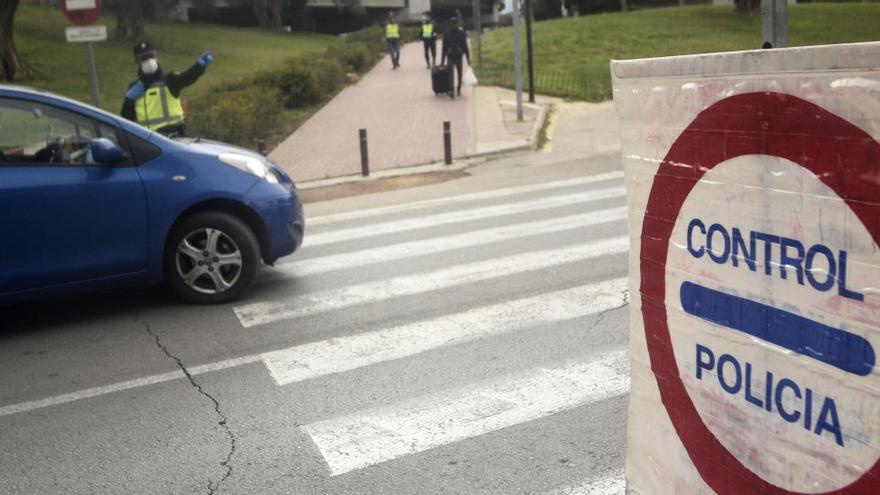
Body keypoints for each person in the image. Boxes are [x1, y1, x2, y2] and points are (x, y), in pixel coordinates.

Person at [120, 40, 213, 137]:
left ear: (156, 56)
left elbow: (186, 77)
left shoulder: (169, 80)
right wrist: (128, 100)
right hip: (146, 141)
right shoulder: (133, 87)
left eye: (150, 56)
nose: (148, 60)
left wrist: (199, 67)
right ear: (137, 61)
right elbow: (126, 119)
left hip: (172, 137)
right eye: (143, 58)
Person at [441, 16, 471, 98]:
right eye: (452, 23)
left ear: (456, 24)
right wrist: (442, 61)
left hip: (458, 56)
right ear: (450, 24)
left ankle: (459, 88)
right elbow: (444, 48)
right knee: (451, 74)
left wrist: (468, 58)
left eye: (455, 23)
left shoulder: (461, 33)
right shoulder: (447, 34)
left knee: (459, 73)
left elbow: (465, 46)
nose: (454, 25)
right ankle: (451, 89)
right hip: (450, 56)